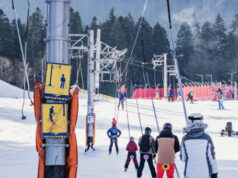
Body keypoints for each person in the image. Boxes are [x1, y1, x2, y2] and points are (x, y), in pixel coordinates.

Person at [181, 113, 218, 178]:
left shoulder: (185, 139)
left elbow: (183, 158)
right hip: (205, 173)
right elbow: (211, 157)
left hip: (189, 173)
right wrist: (214, 172)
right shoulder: (207, 138)